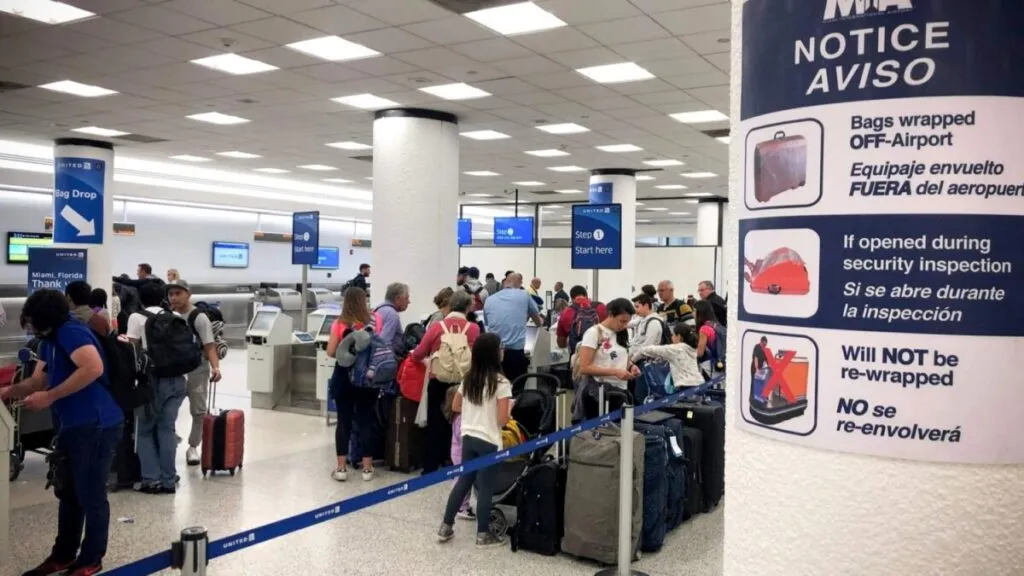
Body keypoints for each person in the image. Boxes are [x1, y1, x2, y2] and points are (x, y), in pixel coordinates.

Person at [1, 289, 123, 576]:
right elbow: (38, 379)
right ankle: (63, 555)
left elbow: (93, 367)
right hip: (71, 425)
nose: (29, 327)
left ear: (46, 318)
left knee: (90, 494)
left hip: (96, 424)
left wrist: (51, 397)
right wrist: (8, 391)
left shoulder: (72, 332)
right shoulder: (49, 339)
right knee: (68, 492)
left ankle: (91, 558)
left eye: (32, 321)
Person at [436, 332, 512, 548]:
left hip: (468, 436)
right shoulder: (501, 382)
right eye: (500, 347)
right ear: (493, 353)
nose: (502, 350)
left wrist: (475, 411)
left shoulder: (469, 378)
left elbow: (456, 406)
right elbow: (503, 418)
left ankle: (446, 526)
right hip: (489, 439)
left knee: (464, 482)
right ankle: (482, 534)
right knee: (486, 488)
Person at [410, 291, 480, 474]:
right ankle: (453, 461)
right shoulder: (473, 329)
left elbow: (419, 353)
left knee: (434, 422)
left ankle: (431, 466)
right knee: (458, 423)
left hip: (438, 380)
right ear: (468, 307)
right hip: (463, 384)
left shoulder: (437, 327)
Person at [126, 283, 185, 494]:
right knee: (166, 429)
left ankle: (152, 480)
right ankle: (169, 480)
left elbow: (132, 351)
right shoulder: (173, 315)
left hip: (152, 382)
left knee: (144, 431)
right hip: (177, 380)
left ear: (140, 298)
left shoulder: (136, 317)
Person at [326, 287, 384, 482]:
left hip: (344, 377)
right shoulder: (376, 321)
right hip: (367, 378)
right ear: (364, 300)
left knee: (344, 422)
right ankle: (367, 469)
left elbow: (331, 351)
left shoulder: (339, 324)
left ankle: (341, 468)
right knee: (366, 421)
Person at [166, 280, 223, 466]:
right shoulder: (167, 315)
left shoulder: (199, 317)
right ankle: (170, 439)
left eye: (178, 294)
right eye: (171, 294)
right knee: (168, 409)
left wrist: (216, 367)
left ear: (188, 294)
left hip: (197, 369)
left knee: (198, 410)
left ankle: (193, 447)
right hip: (173, 369)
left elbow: (209, 345)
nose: (174, 298)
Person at [481, 273, 545, 393]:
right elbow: (537, 320)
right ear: (520, 284)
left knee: (495, 390)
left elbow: (488, 323)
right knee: (516, 390)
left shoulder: (490, 299)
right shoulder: (524, 295)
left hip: (494, 353)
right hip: (515, 353)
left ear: (505, 283)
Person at [576, 298, 640, 391]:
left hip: (621, 389)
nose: (624, 325)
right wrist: (614, 372)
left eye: (627, 322)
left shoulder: (621, 332)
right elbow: (584, 367)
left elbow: (619, 357)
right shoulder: (593, 333)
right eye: (622, 321)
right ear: (610, 314)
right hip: (600, 391)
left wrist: (631, 366)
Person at [631, 323, 706, 389]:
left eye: (673, 334)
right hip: (699, 384)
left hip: (685, 386)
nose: (672, 337)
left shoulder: (677, 349)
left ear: (679, 336)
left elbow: (649, 350)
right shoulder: (692, 349)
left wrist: (632, 360)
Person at [556, 286, 608, 351]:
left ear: (571, 299)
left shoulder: (565, 313)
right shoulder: (601, 307)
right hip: (602, 353)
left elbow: (561, 343)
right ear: (587, 296)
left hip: (578, 355)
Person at [375, 282, 411, 354]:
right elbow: (384, 342)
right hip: (386, 360)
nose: (409, 302)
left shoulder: (379, 310)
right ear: (397, 299)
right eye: (406, 298)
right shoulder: (392, 314)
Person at [693, 300, 725, 378]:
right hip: (720, 364)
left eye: (694, 311)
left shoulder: (704, 329)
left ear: (700, 312)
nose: (692, 314)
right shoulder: (715, 324)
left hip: (709, 367)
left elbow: (700, 353)